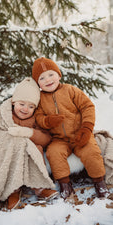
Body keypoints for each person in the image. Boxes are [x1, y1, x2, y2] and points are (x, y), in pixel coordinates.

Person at [0, 77, 59, 211]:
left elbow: (46, 138)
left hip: (28, 153)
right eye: (22, 104)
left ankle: (39, 187)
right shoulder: (3, 114)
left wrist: (29, 133)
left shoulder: (36, 119)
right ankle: (12, 188)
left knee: (34, 147)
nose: (25, 109)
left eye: (31, 106)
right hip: (6, 151)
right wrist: (12, 139)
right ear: (14, 102)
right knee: (16, 142)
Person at [32, 57, 110, 200]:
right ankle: (64, 185)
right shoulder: (40, 99)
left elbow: (88, 107)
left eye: (51, 74)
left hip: (79, 134)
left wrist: (86, 129)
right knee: (54, 153)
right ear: (38, 83)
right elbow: (38, 117)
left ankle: (99, 182)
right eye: (42, 78)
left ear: (58, 75)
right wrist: (48, 121)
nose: (48, 80)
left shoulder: (70, 90)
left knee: (91, 152)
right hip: (58, 139)